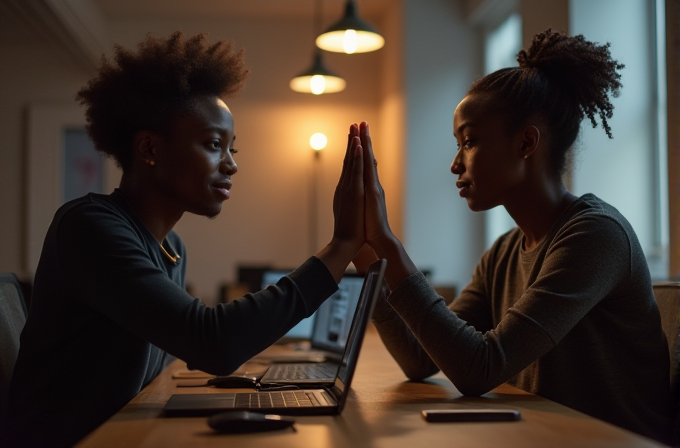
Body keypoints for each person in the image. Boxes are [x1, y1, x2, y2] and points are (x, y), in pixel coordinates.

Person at [5, 32, 368, 448]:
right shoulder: (89, 227)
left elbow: (196, 342)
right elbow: (212, 341)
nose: (231, 165)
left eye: (233, 149)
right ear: (149, 148)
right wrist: (340, 248)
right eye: (214, 145)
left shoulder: (171, 247)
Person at [354, 29, 671, 443]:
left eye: (468, 142)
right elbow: (419, 360)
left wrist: (391, 247)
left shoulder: (595, 235)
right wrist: (373, 262)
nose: (455, 164)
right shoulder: (504, 252)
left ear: (526, 143)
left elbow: (479, 368)